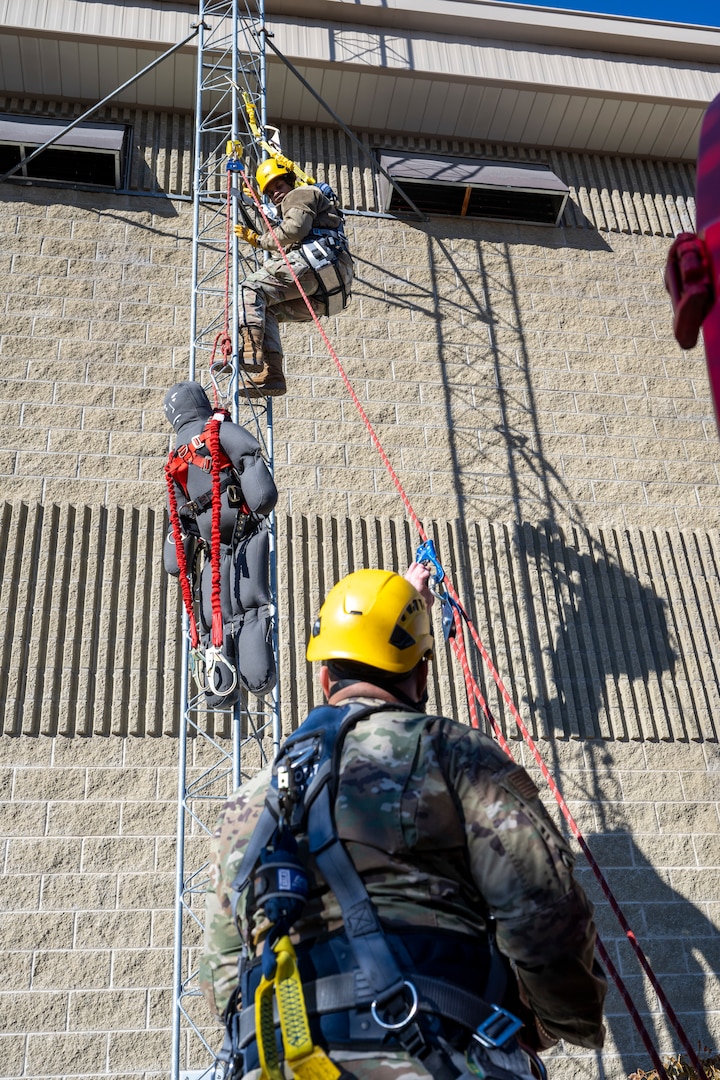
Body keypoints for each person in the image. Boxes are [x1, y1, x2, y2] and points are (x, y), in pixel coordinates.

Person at [199, 568, 606, 1079]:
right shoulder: (456, 756)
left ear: (324, 678)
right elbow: (544, 912)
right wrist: (565, 1021)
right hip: (437, 1056)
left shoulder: (249, 803)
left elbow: (224, 973)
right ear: (422, 676)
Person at [163, 381, 278, 705]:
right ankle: (253, 674)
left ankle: (222, 686)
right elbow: (250, 460)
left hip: (218, 547)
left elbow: (178, 521)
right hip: (242, 534)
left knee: (218, 615)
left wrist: (177, 555)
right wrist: (259, 496)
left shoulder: (177, 459)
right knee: (249, 604)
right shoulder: (218, 432)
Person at [233, 158, 354, 398]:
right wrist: (259, 208)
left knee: (250, 288)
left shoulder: (301, 193)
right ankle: (273, 375)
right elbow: (285, 233)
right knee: (265, 310)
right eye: (270, 191)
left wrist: (258, 240)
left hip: (316, 265)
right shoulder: (302, 205)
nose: (276, 193)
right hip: (327, 292)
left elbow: (293, 230)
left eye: (278, 186)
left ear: (290, 181)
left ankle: (251, 349)